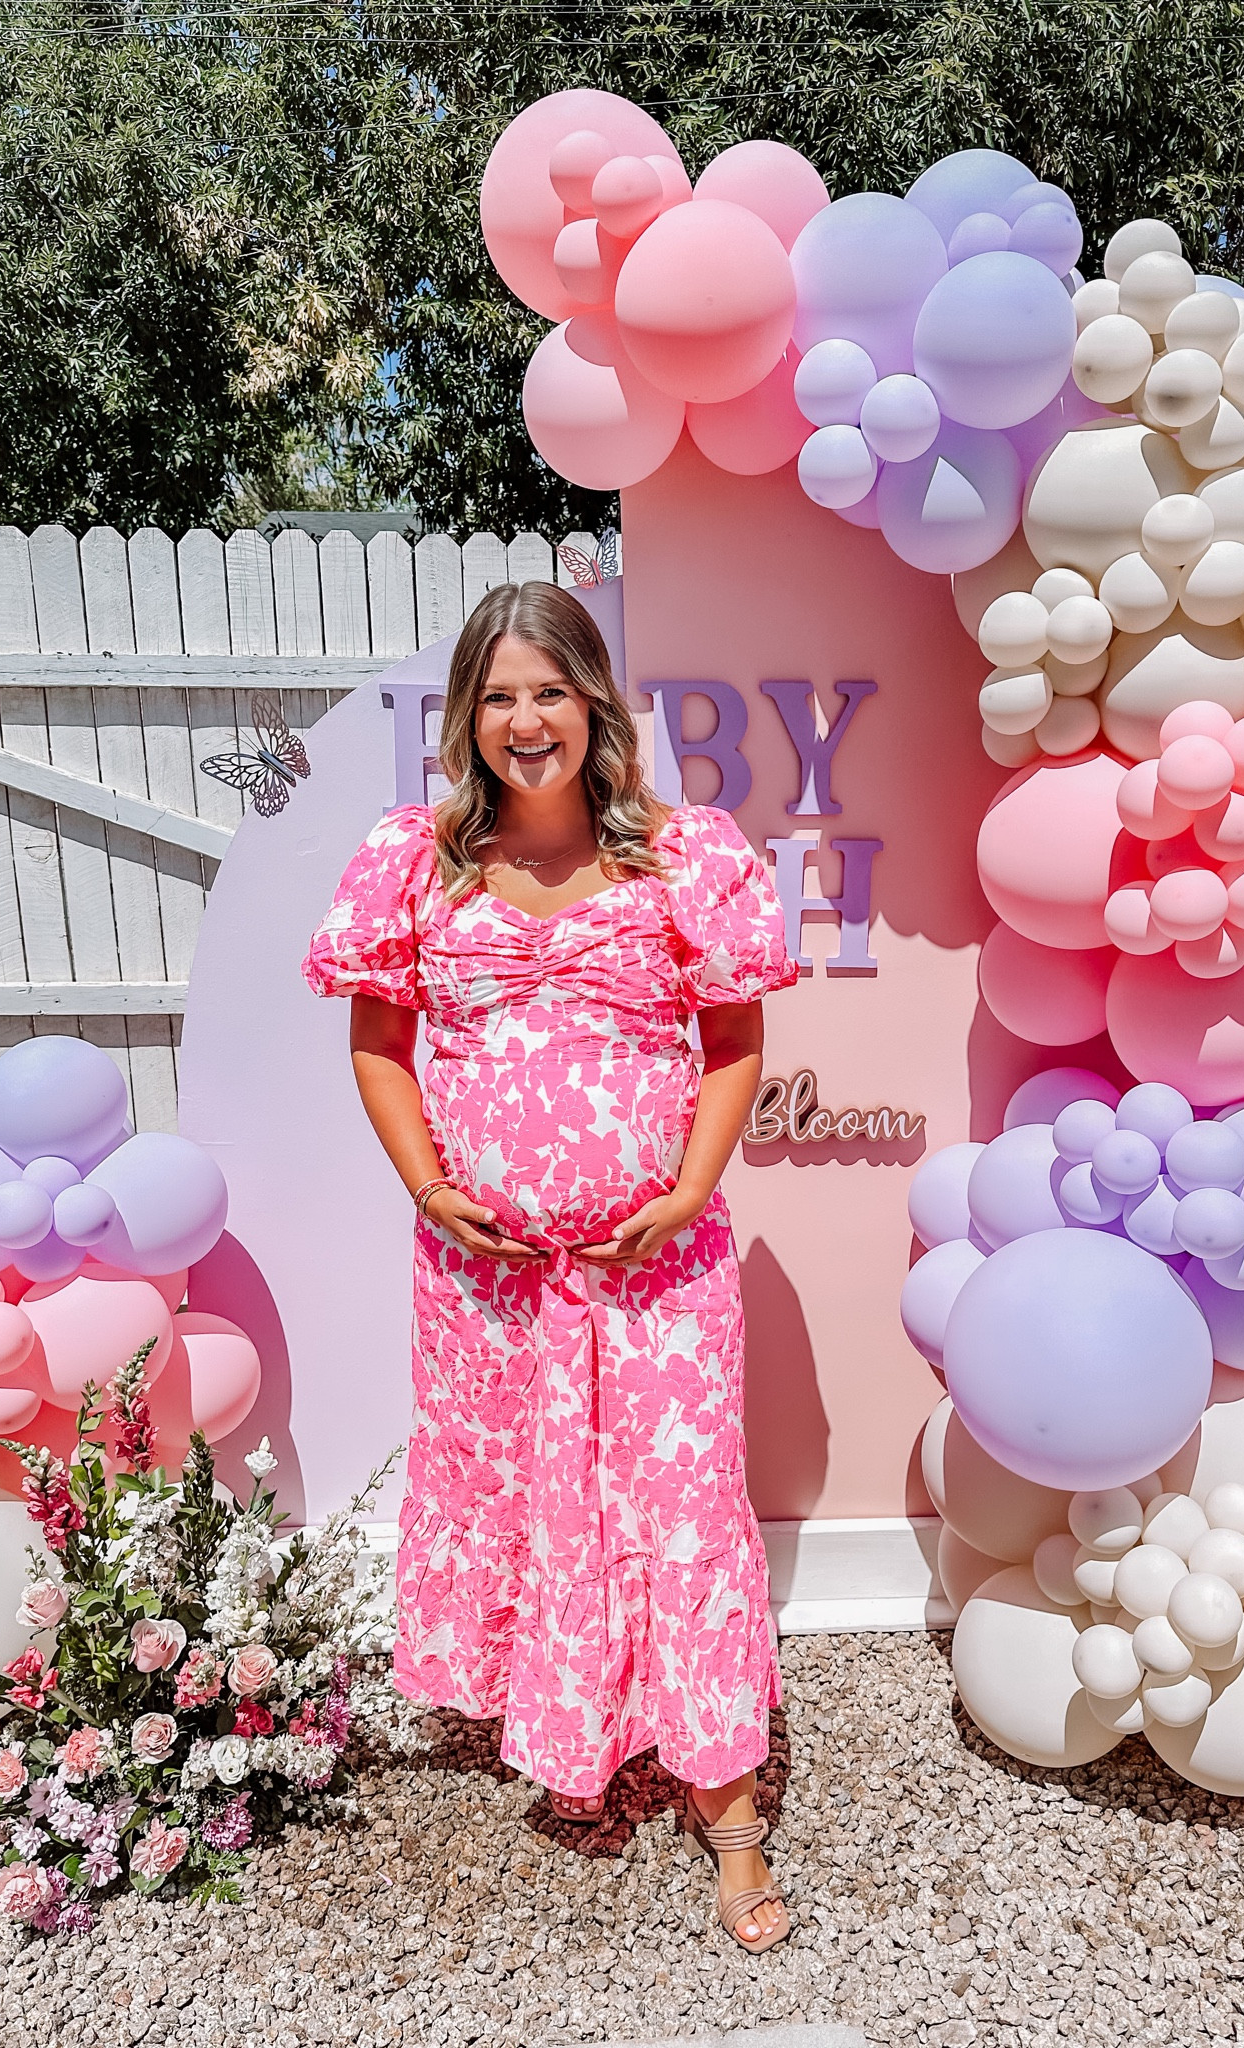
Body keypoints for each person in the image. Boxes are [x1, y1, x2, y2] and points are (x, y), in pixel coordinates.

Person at [303, 580, 799, 1952]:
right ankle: (578, 1734)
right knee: (533, 1499)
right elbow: (379, 1047)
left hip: (659, 1270)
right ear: (467, 718)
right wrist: (432, 1187)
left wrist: (689, 1185)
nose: (526, 721)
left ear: (595, 704)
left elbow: (734, 1042)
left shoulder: (683, 857)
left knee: (680, 1512)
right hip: (489, 1281)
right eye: (499, 697)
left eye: (550, 692)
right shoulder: (416, 861)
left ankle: (733, 1812)